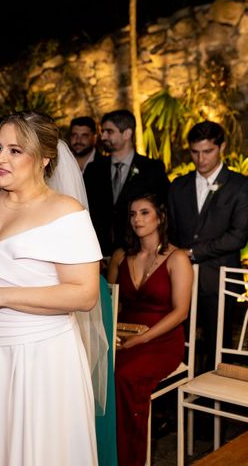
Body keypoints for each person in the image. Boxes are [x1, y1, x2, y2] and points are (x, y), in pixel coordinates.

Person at [0, 111, 102, 465]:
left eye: (16, 151)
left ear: (45, 158)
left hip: (42, 355)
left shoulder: (65, 212)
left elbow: (84, 294)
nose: (0, 158)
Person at [107, 192, 192, 466]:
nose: (137, 219)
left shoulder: (177, 258)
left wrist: (142, 339)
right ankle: (100, 450)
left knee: (123, 375)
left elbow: (181, 312)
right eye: (132, 214)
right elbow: (110, 305)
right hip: (123, 334)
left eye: (144, 212)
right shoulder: (121, 256)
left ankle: (128, 458)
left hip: (162, 339)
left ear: (160, 217)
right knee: (92, 369)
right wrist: (110, 335)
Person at [167, 120, 248, 372]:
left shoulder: (240, 185)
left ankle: (212, 405)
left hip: (219, 278)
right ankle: (178, 398)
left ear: (221, 147)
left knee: (217, 344)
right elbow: (169, 230)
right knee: (180, 342)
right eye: (194, 152)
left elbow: (238, 237)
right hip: (181, 280)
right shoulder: (178, 186)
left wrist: (191, 253)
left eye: (207, 151)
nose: (200, 159)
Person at [84, 109, 170, 257]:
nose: (103, 136)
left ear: (127, 134)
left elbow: (163, 209)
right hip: (98, 251)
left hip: (135, 251)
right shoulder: (93, 170)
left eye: (109, 131)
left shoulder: (152, 169)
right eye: (103, 131)